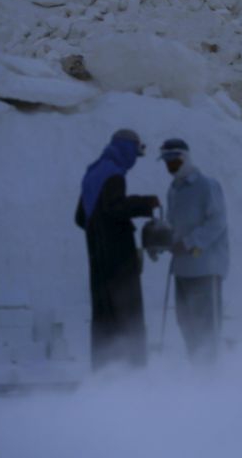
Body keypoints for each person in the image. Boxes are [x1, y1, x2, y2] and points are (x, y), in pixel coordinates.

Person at [75, 129, 159, 371]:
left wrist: (97, 233)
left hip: (97, 256)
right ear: (126, 149)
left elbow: (80, 217)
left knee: (103, 312)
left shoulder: (92, 173)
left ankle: (104, 369)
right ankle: (131, 370)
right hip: (118, 258)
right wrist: (145, 203)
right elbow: (114, 207)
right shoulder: (114, 175)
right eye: (135, 152)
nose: (134, 160)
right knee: (126, 310)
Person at [159, 138, 229, 363]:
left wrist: (189, 243)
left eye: (173, 160)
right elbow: (173, 223)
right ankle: (197, 373)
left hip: (205, 268)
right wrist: (161, 237)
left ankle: (210, 377)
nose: (169, 166)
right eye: (166, 161)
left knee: (206, 325)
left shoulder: (207, 185)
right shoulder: (174, 189)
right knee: (186, 323)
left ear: (185, 158)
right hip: (181, 270)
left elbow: (217, 222)